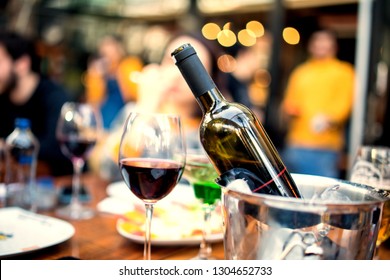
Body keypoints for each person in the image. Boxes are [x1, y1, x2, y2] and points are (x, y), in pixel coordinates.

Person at [89, 32, 230, 181]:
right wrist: (146, 107)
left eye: (191, 67)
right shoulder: (135, 112)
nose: (177, 75)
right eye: (171, 62)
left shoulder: (212, 131)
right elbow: (106, 169)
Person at [280, 29, 355, 178]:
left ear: (334, 47)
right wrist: (289, 110)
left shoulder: (344, 72)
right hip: (297, 144)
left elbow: (344, 105)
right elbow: (290, 102)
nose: (321, 46)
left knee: (323, 196)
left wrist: (329, 118)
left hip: (326, 147)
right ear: (311, 46)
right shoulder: (301, 72)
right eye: (317, 42)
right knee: (292, 194)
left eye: (325, 42)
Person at [0, 30, 73, 176]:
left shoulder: (54, 97)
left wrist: (7, 147)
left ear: (22, 64)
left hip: (58, 184)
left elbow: (56, 149)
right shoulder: (3, 96)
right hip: (15, 182)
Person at [84, 34, 143, 130]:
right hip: (103, 117)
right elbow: (93, 102)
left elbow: (134, 96)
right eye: (105, 54)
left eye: (112, 53)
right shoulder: (98, 74)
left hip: (124, 116)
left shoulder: (129, 66)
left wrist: (119, 73)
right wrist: (97, 78)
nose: (109, 58)